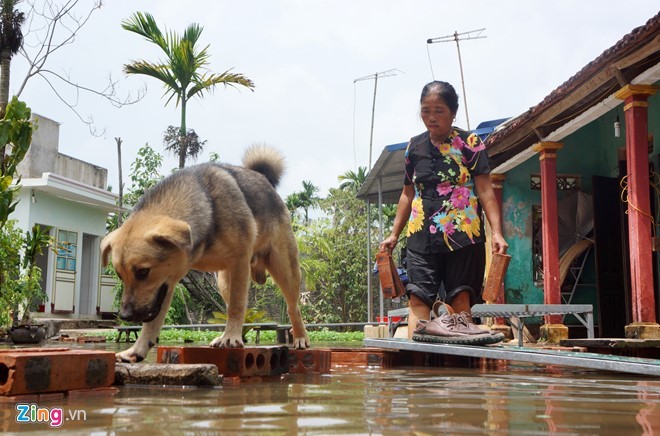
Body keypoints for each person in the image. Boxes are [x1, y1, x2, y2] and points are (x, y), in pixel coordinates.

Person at [379, 81, 508, 344]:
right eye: (426, 111)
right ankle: (419, 371)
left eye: (438, 110)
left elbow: (485, 190)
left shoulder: (470, 142)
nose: (431, 117)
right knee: (418, 296)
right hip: (420, 235)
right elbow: (407, 193)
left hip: (463, 234)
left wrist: (497, 232)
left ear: (453, 112)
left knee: (460, 297)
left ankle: (463, 371)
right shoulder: (413, 147)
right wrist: (394, 234)